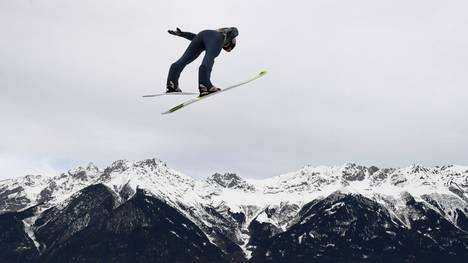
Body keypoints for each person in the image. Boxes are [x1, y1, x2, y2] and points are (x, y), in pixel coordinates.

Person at [166, 27, 238, 96]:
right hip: (214, 36)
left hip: (201, 35)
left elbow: (195, 38)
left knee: (184, 59)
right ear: (230, 41)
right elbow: (235, 31)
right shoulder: (222, 36)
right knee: (209, 57)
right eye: (226, 46)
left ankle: (172, 83)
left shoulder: (212, 36)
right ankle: (205, 85)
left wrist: (182, 34)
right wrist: (231, 31)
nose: (224, 46)